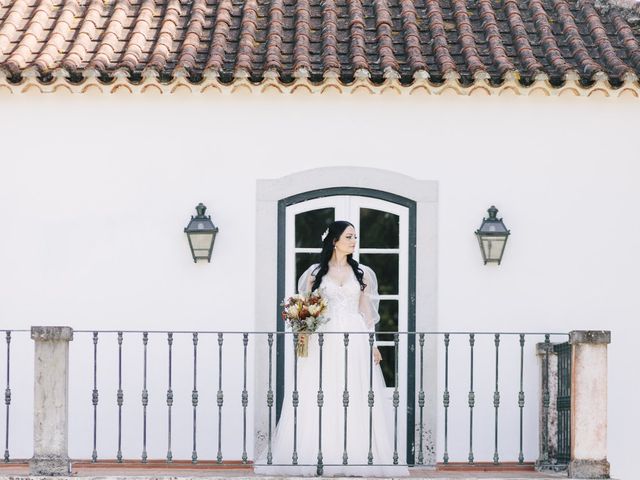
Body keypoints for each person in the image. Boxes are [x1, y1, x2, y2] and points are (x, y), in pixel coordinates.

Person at [254, 221, 409, 477]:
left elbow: (367, 313)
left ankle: (357, 455)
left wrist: (374, 343)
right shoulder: (316, 274)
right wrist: (303, 331)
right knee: (321, 390)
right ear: (334, 240)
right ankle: (317, 453)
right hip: (322, 339)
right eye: (349, 236)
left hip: (355, 336)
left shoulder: (362, 274)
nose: (353, 241)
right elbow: (305, 307)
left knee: (355, 391)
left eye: (355, 237)